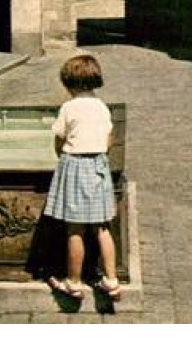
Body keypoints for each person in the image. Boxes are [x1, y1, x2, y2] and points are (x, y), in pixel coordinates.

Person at [44, 53, 121, 301]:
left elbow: (59, 138)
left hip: (75, 164)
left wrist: (62, 154)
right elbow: (109, 139)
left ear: (68, 83)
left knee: (75, 229)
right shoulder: (101, 106)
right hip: (98, 164)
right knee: (102, 227)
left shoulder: (69, 107)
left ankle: (73, 282)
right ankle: (111, 280)